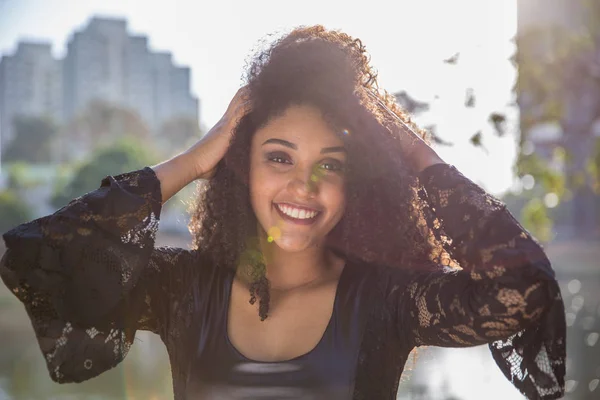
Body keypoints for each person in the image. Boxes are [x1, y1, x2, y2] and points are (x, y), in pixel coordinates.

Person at [0, 26, 565, 400]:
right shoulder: (182, 288)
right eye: (279, 156)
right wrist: (194, 159)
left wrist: (413, 149)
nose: (303, 185)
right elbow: (33, 259)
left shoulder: (390, 301)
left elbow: (525, 289)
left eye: (331, 165)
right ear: (239, 165)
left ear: (355, 183)